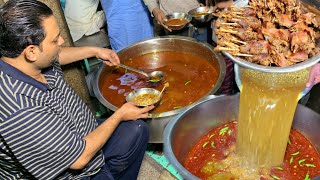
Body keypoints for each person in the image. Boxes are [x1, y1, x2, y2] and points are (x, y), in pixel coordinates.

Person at [0, 0, 154, 179]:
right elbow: (78, 158)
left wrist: (95, 51)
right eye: (55, 39)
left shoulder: (26, 61)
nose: (62, 41)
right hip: (74, 170)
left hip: (81, 134)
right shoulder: (19, 108)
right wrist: (119, 114)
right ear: (31, 52)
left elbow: (58, 55)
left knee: (137, 130)